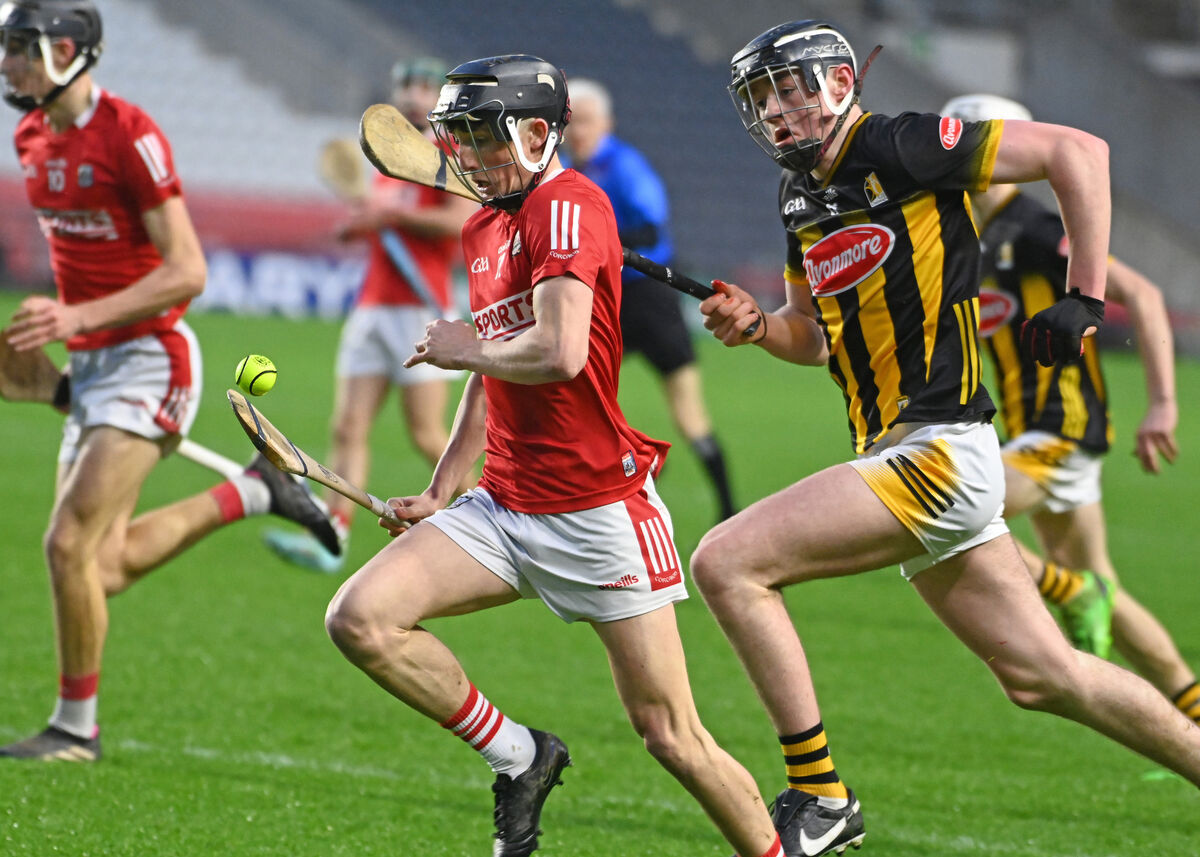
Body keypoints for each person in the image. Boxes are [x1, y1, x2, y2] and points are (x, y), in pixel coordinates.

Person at [689, 19, 1200, 854]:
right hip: (901, 452)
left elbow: (1080, 149)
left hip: (939, 450)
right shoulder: (799, 196)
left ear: (840, 84)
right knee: (1046, 677)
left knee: (727, 560)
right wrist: (754, 326)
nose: (774, 112)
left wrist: (1086, 295)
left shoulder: (901, 144)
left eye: (788, 89)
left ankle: (820, 792)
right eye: (759, 99)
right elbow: (809, 338)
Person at [323, 54, 793, 857]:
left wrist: (465, 347)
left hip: (597, 512)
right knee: (361, 619)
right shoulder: (484, 223)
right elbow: (494, 369)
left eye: (482, 135)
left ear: (540, 132)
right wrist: (444, 489)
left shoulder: (569, 204)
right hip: (504, 506)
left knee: (671, 734)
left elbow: (560, 350)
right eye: (458, 137)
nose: (466, 155)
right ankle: (520, 754)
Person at [0, 0, 340, 762]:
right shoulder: (29, 137)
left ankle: (73, 729)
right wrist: (57, 363)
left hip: (152, 356)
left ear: (66, 51)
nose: (6, 63)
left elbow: (187, 271)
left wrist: (72, 316)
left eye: (20, 47)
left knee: (65, 546)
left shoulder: (130, 134)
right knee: (102, 564)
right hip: (93, 364)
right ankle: (255, 491)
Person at [940, 93, 1199, 724]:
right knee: (1106, 586)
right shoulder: (963, 228)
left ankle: (1069, 590)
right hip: (1035, 435)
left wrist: (1163, 404)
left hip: (1060, 431)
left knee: (945, 511)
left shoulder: (1030, 229)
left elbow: (1140, 291)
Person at [263, 57, 477, 574]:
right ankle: (332, 535)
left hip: (419, 309)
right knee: (347, 425)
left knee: (428, 434)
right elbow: (378, 219)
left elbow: (460, 221)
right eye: (406, 85)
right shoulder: (386, 159)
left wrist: (393, 215)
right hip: (373, 306)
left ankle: (499, 521)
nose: (414, 95)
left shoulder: (445, 156)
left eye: (426, 87)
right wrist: (361, 225)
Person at [562, 77, 736, 522]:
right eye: (571, 121)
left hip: (649, 297)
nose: (578, 130)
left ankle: (728, 509)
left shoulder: (624, 165)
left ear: (607, 123)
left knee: (688, 410)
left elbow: (652, 229)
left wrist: (600, 242)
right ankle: (638, 463)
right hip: (606, 301)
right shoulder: (565, 169)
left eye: (585, 120)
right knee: (585, 397)